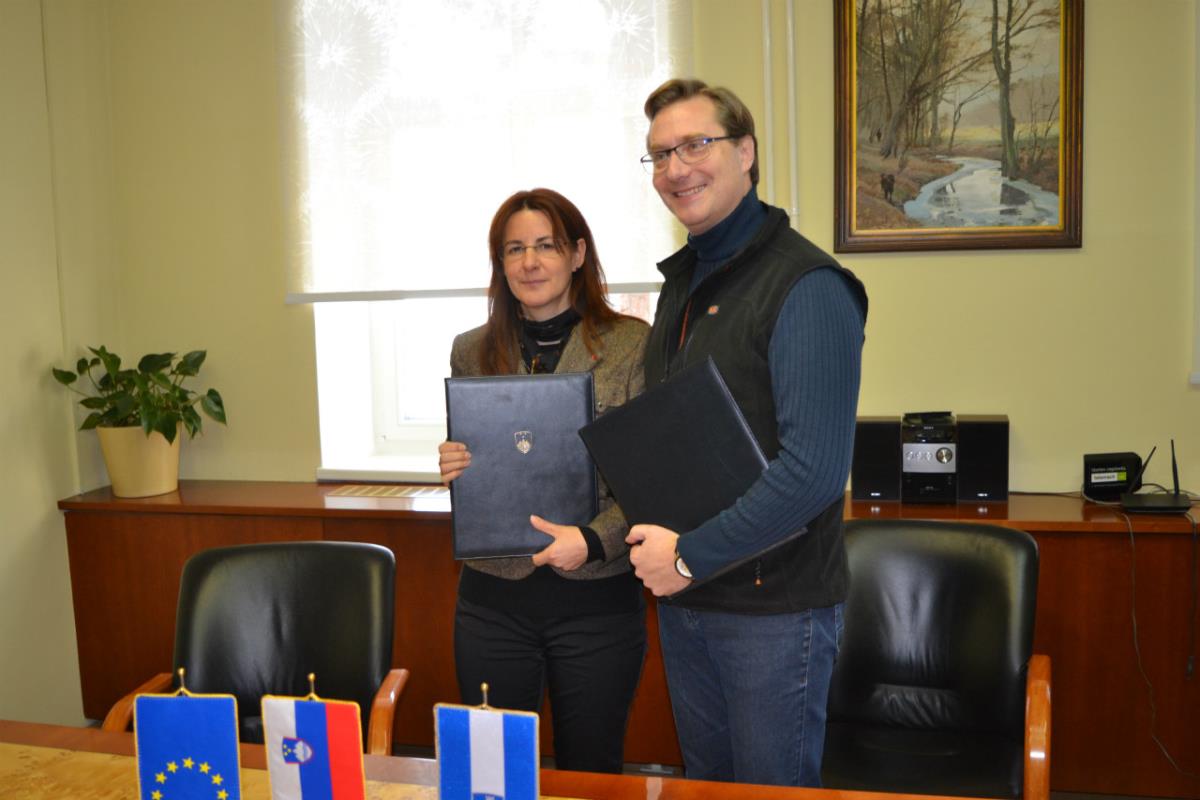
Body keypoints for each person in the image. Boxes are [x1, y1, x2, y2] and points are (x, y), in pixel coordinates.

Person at [625, 79, 868, 787]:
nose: (675, 169)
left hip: (772, 614)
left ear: (746, 152)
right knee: (709, 786)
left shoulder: (807, 284)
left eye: (695, 145)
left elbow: (813, 474)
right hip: (689, 599)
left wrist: (687, 557)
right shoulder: (685, 283)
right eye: (659, 154)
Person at [438, 188, 649, 774]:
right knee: (493, 772)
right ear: (501, 264)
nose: (529, 262)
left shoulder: (632, 344)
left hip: (598, 603)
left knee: (590, 773)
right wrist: (456, 467)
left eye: (546, 246)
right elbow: (483, 467)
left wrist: (595, 540)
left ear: (577, 254)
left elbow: (650, 480)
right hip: (492, 603)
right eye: (514, 249)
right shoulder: (471, 350)